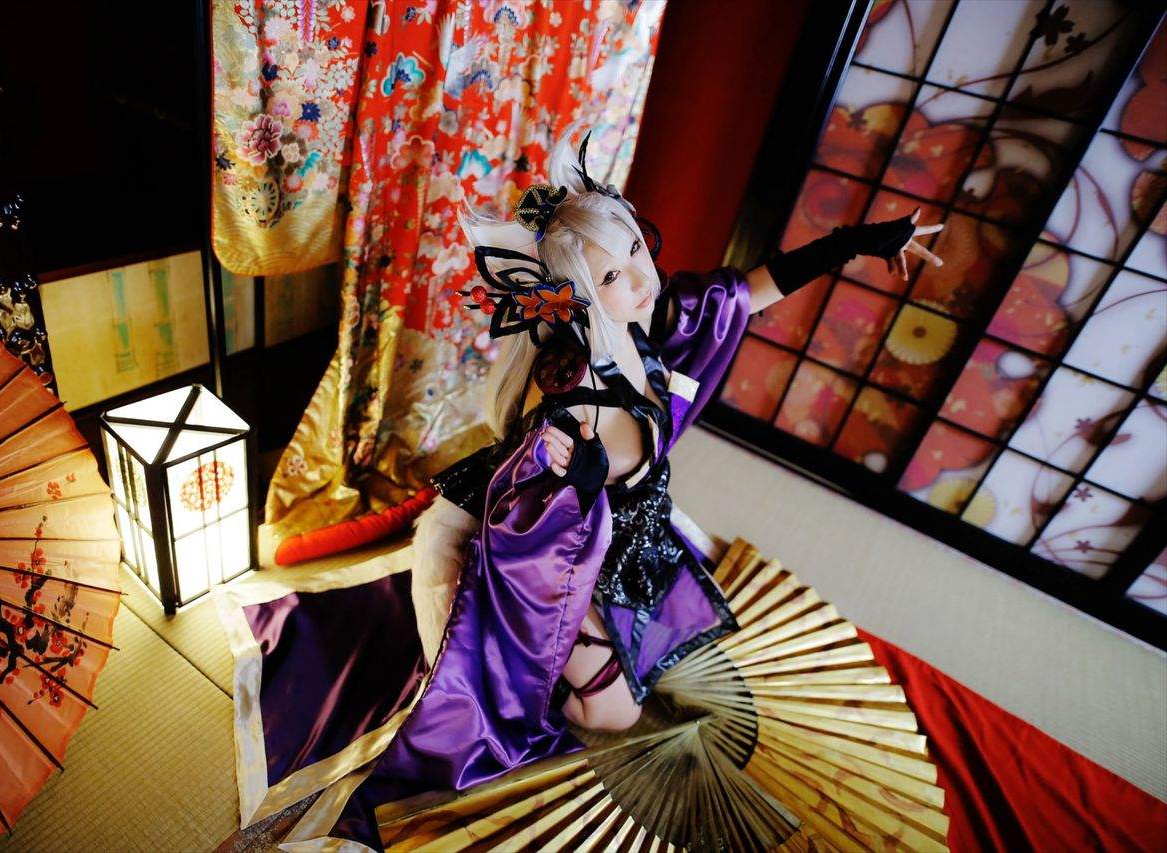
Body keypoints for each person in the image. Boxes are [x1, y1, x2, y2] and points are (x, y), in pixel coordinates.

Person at [275, 122, 943, 848]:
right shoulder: (568, 391)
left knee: (668, 650)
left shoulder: (646, 322)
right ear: (574, 298)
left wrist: (851, 244)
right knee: (609, 713)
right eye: (612, 276)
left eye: (633, 249)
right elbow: (531, 532)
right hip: (553, 553)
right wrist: (575, 479)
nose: (641, 277)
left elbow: (745, 293)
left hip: (635, 530)